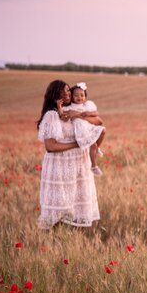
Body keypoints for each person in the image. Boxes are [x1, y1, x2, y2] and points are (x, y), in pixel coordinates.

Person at [36, 80, 100, 229]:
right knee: (59, 209)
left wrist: (78, 114)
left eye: (68, 90)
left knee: (78, 209)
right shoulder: (52, 115)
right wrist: (77, 144)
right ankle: (53, 243)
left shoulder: (72, 110)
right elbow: (50, 146)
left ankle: (74, 245)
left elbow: (99, 121)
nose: (67, 94)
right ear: (54, 95)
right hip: (60, 166)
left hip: (79, 166)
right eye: (62, 91)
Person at [61, 82, 106, 176]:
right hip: (81, 130)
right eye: (76, 95)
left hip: (88, 127)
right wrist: (59, 107)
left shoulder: (87, 106)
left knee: (103, 130)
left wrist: (89, 114)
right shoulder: (69, 108)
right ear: (71, 96)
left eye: (82, 95)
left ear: (85, 97)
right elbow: (63, 115)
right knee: (92, 145)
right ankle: (94, 166)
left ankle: (98, 148)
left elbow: (96, 113)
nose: (79, 97)